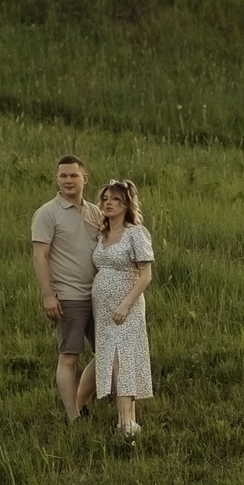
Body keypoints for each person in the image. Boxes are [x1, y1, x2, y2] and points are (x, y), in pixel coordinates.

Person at [29, 154, 103, 419]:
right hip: (68, 297)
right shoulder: (47, 213)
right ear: (56, 180)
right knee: (69, 357)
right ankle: (73, 418)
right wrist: (49, 296)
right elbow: (40, 256)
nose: (68, 180)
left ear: (85, 178)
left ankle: (82, 402)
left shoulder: (96, 211)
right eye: (63, 176)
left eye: (73, 175)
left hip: (99, 296)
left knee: (107, 352)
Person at [89, 179, 155, 441]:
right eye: (105, 198)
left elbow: (146, 275)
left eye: (115, 199)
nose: (108, 203)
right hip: (103, 310)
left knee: (123, 361)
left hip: (126, 308)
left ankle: (127, 425)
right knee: (111, 362)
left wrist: (126, 304)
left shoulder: (135, 233)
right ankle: (126, 421)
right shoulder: (102, 235)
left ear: (126, 203)